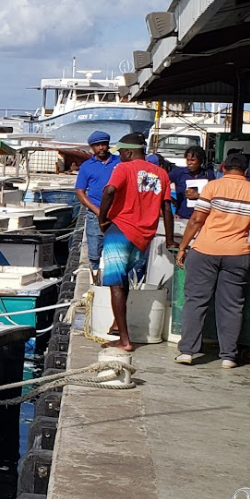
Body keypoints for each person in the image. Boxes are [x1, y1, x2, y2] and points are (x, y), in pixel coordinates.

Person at [175, 153, 250, 369]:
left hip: (204, 251)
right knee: (232, 306)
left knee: (195, 301)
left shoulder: (212, 187)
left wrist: (182, 247)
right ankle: (228, 356)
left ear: (224, 168)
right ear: (246, 171)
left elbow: (196, 220)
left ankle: (187, 351)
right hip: (238, 254)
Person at [97, 132, 175, 352]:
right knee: (123, 281)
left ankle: (124, 340)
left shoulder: (123, 168)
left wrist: (102, 219)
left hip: (120, 229)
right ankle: (117, 323)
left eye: (121, 152)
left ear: (129, 152)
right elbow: (167, 208)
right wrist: (169, 239)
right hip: (143, 237)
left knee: (115, 283)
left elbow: (109, 190)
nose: (119, 156)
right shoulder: (161, 173)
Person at [75, 131, 121, 275]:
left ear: (108, 145)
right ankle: (94, 279)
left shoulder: (120, 163)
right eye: (97, 145)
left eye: (103, 144)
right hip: (95, 214)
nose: (101, 148)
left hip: (118, 213)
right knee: (94, 253)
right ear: (92, 147)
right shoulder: (86, 166)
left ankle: (113, 279)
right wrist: (96, 210)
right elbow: (80, 192)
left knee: (117, 250)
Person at [169, 145, 216, 219]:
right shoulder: (178, 173)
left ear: (200, 161)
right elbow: (162, 185)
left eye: (193, 160)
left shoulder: (208, 174)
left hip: (203, 218)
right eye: (188, 160)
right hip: (182, 217)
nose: (189, 163)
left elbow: (215, 196)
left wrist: (198, 196)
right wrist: (172, 201)